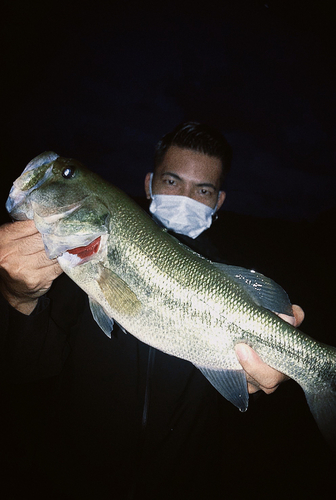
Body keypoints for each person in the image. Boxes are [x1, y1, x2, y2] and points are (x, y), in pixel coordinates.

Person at [0, 122, 304, 499]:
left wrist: (265, 379)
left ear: (218, 202)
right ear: (148, 184)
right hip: (80, 480)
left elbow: (245, 422)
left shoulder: (235, 282)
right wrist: (19, 298)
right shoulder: (70, 266)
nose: (185, 197)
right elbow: (28, 370)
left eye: (203, 189)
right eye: (173, 182)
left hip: (184, 483)